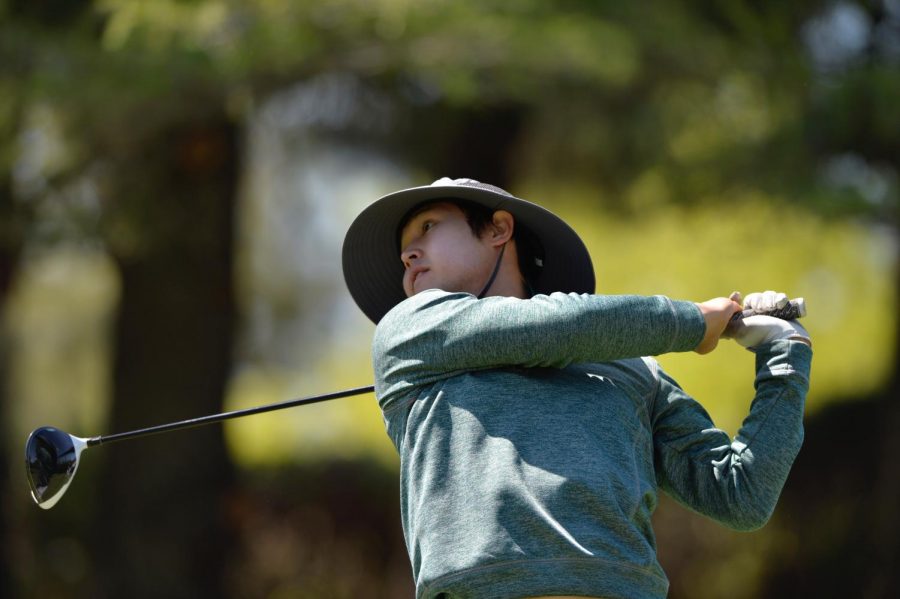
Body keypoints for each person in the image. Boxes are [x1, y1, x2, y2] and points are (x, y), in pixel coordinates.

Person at [341, 178, 812, 599]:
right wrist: (692, 322)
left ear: (498, 229)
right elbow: (546, 328)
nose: (408, 254)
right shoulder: (410, 330)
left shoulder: (635, 369)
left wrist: (783, 354)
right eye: (405, 249)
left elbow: (738, 495)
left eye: (427, 226)